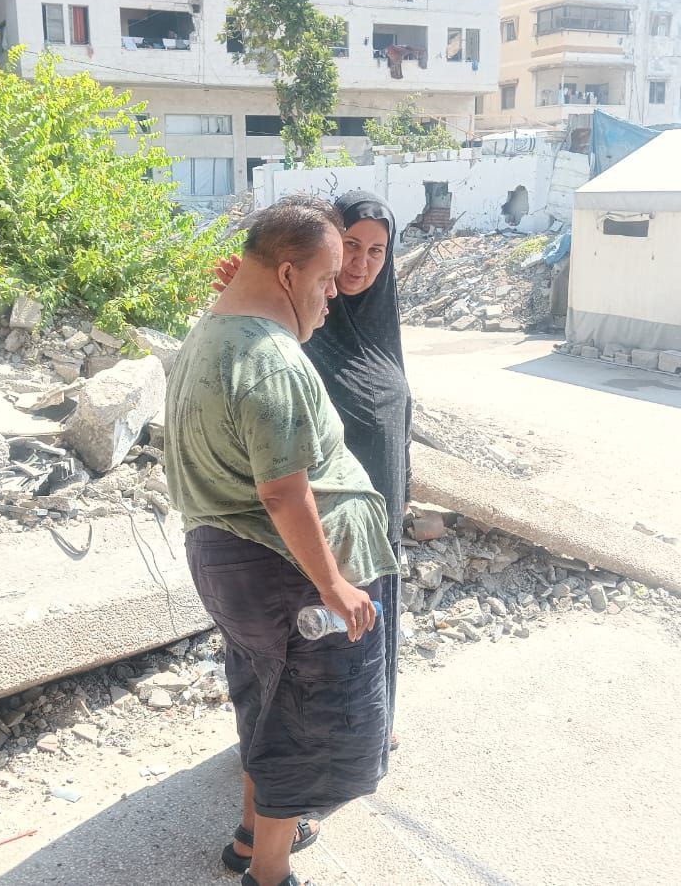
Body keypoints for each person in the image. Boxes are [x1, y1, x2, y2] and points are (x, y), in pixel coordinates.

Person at [165, 196, 398, 886]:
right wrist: (335, 584)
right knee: (302, 725)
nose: (335, 296)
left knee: (266, 703)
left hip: (233, 560)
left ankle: (251, 834)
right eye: (328, 280)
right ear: (290, 275)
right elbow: (283, 491)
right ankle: (268, 874)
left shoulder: (209, 334)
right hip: (285, 575)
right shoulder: (271, 359)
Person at [214, 191, 412, 753]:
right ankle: (290, 786)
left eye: (378, 251)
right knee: (307, 663)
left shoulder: (378, 325)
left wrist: (398, 503)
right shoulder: (291, 326)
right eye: (350, 245)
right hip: (308, 534)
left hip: (372, 525)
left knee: (369, 638)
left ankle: (368, 729)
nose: (361, 263)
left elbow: (395, 423)